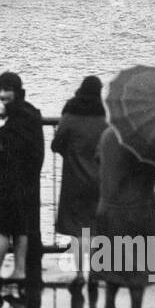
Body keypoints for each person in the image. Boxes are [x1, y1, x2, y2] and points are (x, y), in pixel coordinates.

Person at [0, 71, 43, 292]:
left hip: (9, 179)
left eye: (6, 89)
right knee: (21, 227)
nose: (3, 94)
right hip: (27, 180)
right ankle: (20, 270)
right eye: (0, 90)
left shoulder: (13, 117)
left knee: (2, 226)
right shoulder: (31, 113)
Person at [93, 124, 155, 308]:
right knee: (138, 264)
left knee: (111, 261)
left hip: (107, 206)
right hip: (136, 208)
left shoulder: (107, 133)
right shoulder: (145, 139)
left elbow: (98, 159)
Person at [51, 75, 107, 290]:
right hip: (99, 180)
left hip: (74, 179)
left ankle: (80, 274)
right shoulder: (104, 117)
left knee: (78, 230)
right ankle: (95, 272)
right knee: (94, 228)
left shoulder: (71, 114)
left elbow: (56, 144)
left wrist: (70, 153)